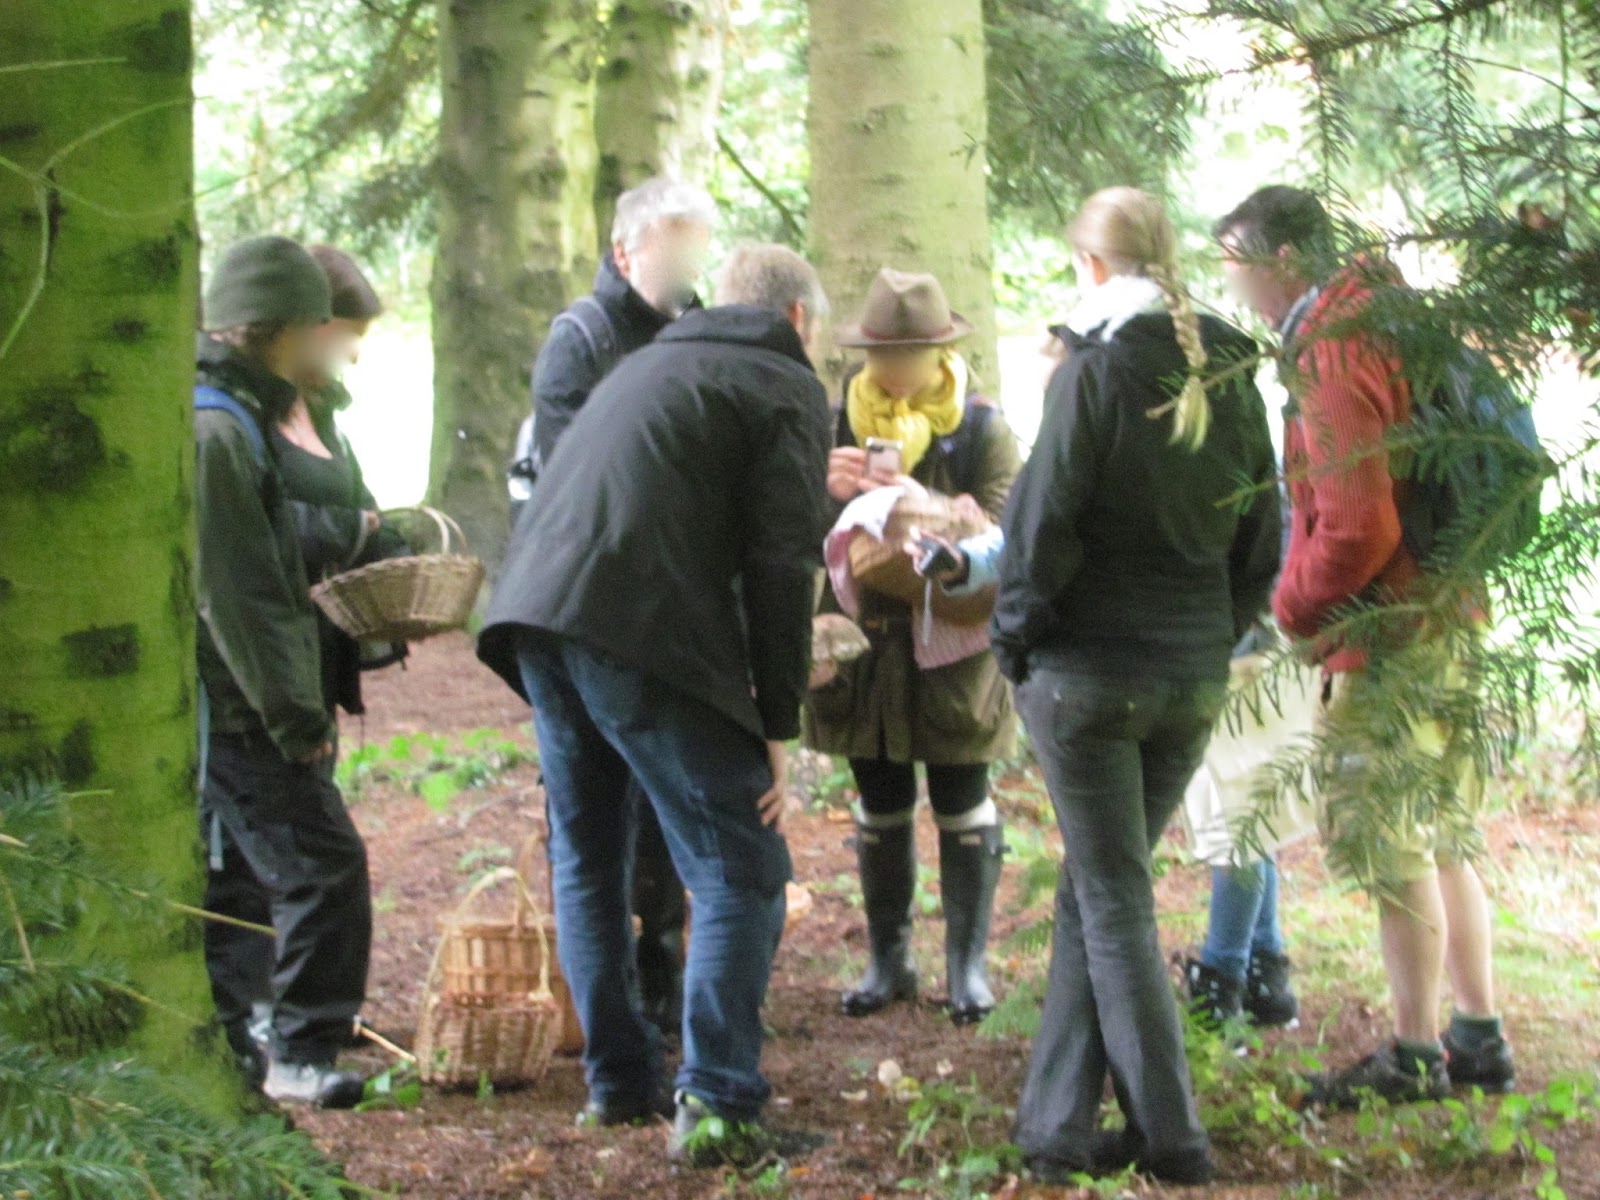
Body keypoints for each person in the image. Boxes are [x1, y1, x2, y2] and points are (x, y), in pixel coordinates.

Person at [477, 244, 831, 1165]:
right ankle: (717, 1109)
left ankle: (620, 1084)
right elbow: (783, 565)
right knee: (740, 866)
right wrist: (778, 720)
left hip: (532, 617)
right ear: (799, 321)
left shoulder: (651, 363)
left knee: (590, 856)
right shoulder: (782, 384)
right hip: (627, 627)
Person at [993, 187, 1282, 1186]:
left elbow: (1039, 531)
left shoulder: (1093, 373)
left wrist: (1015, 643)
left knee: (1111, 895)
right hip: (1188, 675)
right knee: (1097, 884)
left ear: (1090, 265)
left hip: (1089, 677)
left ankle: (1173, 1139)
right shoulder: (1231, 376)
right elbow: (1263, 539)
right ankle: (1056, 1131)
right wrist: (1215, 632)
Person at [1215, 185, 1513, 1107]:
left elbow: (1356, 526)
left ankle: (1417, 1054)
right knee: (1445, 832)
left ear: (1284, 262)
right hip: (1450, 611)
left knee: (1393, 845)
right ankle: (1479, 1034)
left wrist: (1295, 612)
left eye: (1237, 267)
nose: (1235, 290)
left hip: (1389, 632)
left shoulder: (1334, 347)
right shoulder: (1394, 318)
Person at [511, 177, 716, 1042]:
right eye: (673, 251)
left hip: (668, 617)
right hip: (579, 619)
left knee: (665, 815)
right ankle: (611, 1038)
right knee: (592, 838)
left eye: (696, 251)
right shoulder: (580, 340)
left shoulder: (699, 328)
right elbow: (577, 486)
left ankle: (664, 987)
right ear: (627, 251)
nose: (687, 268)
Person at [804, 268, 1022, 1028]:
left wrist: (918, 511)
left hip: (954, 646)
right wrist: (824, 491)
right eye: (880, 354)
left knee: (962, 796)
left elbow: (1004, 529)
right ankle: (887, 959)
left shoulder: (983, 428)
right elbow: (799, 534)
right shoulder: (835, 421)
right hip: (865, 646)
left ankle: (967, 967)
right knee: (879, 797)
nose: (892, 370)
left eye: (907, 353)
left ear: (941, 351)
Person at [194, 235, 371, 1109]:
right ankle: (299, 1049)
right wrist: (296, 719)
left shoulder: (236, 415)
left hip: (236, 706)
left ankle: (243, 1055)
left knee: (232, 882)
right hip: (238, 710)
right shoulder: (219, 430)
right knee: (323, 867)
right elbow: (243, 599)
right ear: (286, 329)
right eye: (318, 326)